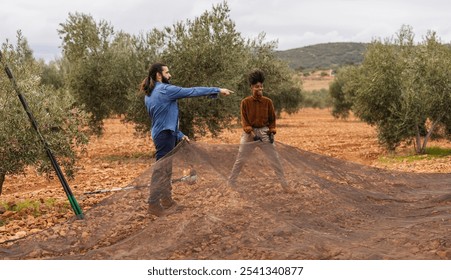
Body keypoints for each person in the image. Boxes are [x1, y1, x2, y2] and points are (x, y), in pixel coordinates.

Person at [142, 62, 233, 216]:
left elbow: (162, 117)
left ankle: (166, 200)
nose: (169, 75)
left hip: (163, 133)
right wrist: (217, 90)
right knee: (160, 169)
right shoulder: (165, 90)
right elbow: (192, 91)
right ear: (159, 75)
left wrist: (179, 134)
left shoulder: (149, 94)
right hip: (164, 135)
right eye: (167, 72)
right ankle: (153, 204)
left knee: (166, 169)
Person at [228, 69, 289, 190]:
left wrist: (271, 133)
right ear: (251, 87)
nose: (260, 89)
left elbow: (272, 119)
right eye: (257, 87)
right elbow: (245, 121)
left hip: (264, 132)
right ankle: (231, 182)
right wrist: (252, 134)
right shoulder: (245, 102)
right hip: (249, 134)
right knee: (241, 159)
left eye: (261, 87)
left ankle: (284, 184)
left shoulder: (268, 102)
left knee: (274, 158)